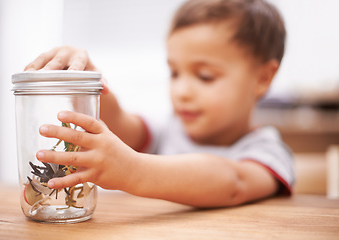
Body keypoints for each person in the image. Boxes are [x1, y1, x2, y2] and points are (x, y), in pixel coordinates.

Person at [25, 0, 294, 207]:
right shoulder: (168, 130)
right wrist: (88, 78)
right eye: (174, 73)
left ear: (262, 78)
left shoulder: (269, 153)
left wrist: (133, 170)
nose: (181, 91)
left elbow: (233, 182)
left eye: (205, 76)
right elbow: (119, 124)